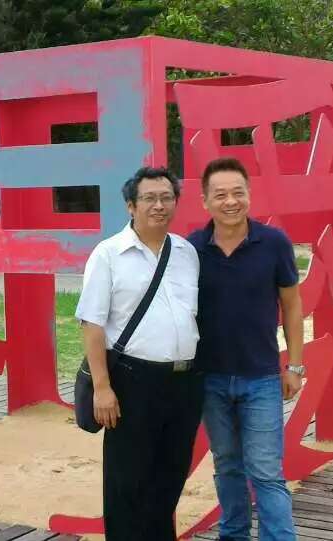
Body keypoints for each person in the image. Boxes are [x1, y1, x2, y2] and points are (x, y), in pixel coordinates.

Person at [75, 166, 203, 540]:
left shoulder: (187, 253)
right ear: (131, 205)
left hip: (183, 383)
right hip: (132, 382)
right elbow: (92, 324)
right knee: (127, 483)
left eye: (166, 197)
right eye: (149, 198)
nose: (158, 205)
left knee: (170, 477)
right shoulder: (108, 254)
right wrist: (102, 387)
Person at [187, 157, 304, 541]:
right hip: (210, 378)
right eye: (220, 195)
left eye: (238, 193)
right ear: (205, 201)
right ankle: (233, 535)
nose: (230, 201)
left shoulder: (274, 243)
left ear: (249, 196)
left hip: (262, 378)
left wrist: (295, 366)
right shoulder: (192, 248)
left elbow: (292, 305)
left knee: (267, 471)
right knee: (227, 467)